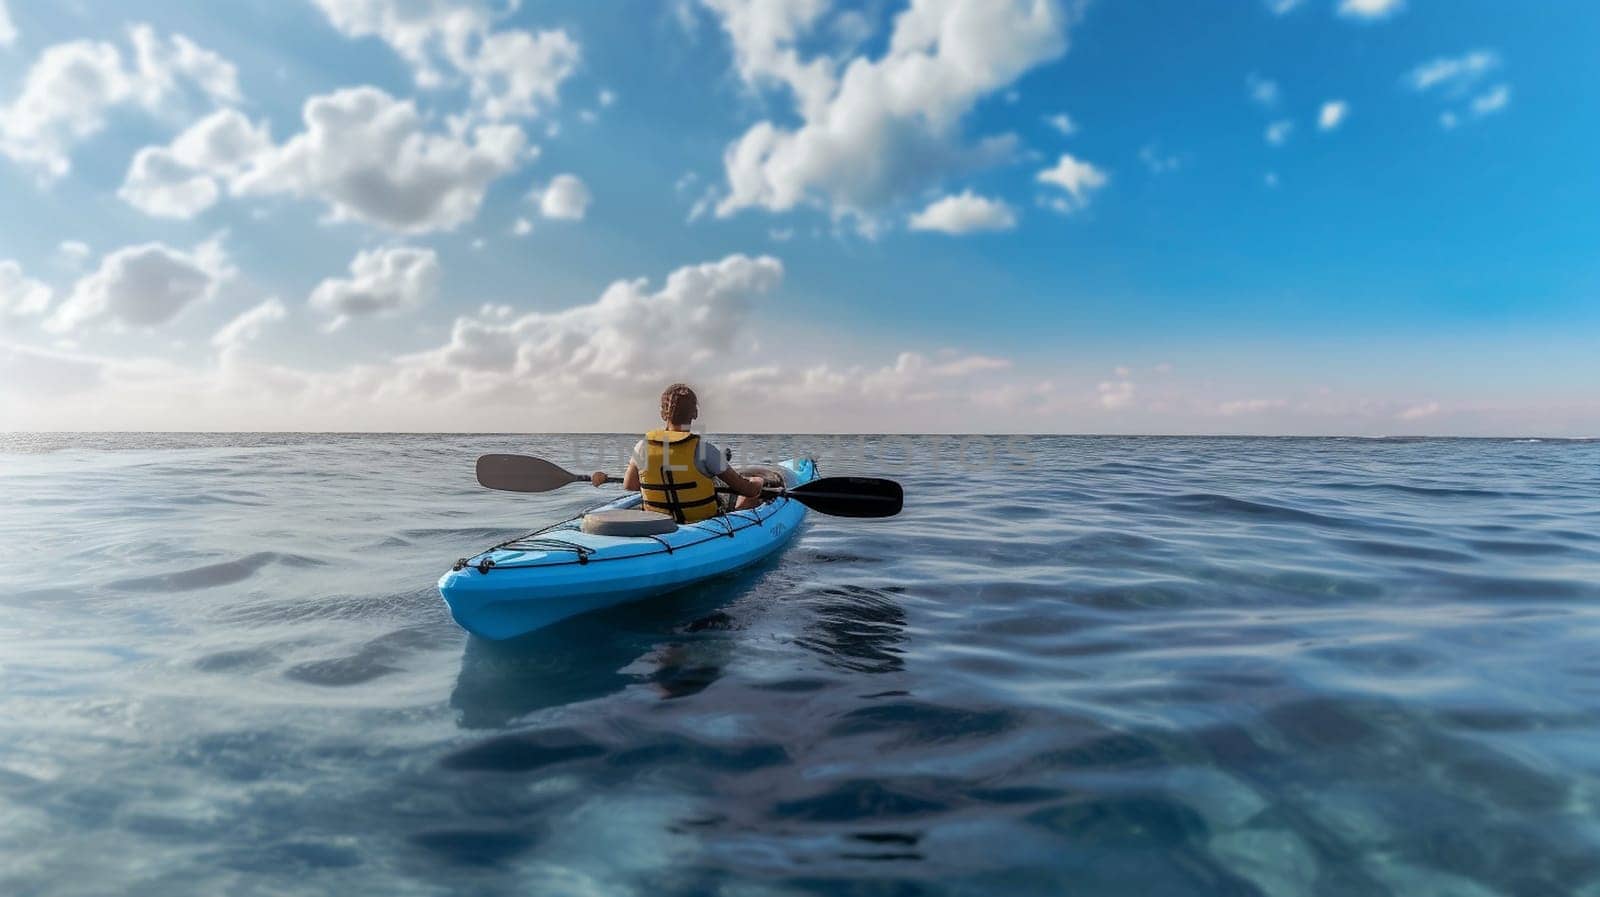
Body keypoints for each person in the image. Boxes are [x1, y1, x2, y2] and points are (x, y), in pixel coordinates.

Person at [590, 383, 767, 522]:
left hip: (659, 523)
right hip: (703, 524)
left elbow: (630, 486)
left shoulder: (641, 447)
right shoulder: (705, 450)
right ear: (695, 413)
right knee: (752, 496)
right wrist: (757, 482)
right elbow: (746, 490)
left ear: (663, 414)